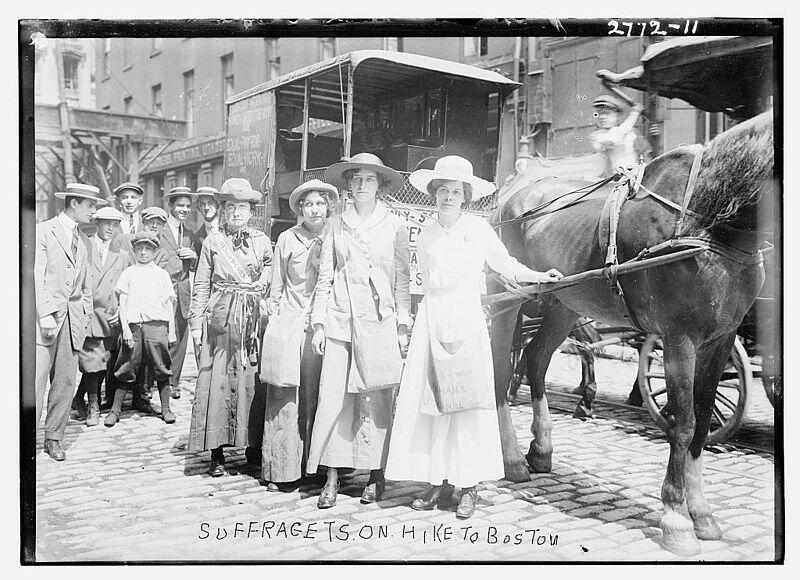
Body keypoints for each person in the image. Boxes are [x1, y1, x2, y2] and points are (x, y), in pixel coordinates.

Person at [384, 156, 564, 519]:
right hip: (433, 318)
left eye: (455, 192)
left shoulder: (479, 230)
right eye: (442, 191)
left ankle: (469, 486)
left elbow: (505, 264)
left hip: (465, 317)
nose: (448, 197)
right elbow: (423, 281)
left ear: (465, 197)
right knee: (431, 402)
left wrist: (541, 275)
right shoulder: (428, 233)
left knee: (465, 404)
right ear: (434, 195)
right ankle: (437, 481)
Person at [306, 152, 411, 508]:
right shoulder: (336, 223)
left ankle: (375, 476)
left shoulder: (395, 225)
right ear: (348, 184)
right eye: (356, 179)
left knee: (378, 398)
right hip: (340, 320)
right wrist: (319, 323)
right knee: (334, 397)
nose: (362, 185)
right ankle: (333, 475)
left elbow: (401, 281)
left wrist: (401, 324)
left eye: (369, 179)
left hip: (379, 322)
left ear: (380, 185)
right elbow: (324, 276)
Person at [188, 178, 272, 477]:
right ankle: (217, 451)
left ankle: (252, 448)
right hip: (221, 318)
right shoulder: (213, 242)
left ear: (251, 211)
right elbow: (201, 283)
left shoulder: (262, 240)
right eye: (231, 207)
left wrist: (264, 280)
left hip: (250, 320)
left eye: (243, 207)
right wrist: (196, 323)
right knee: (217, 383)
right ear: (223, 210)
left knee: (251, 380)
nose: (237, 213)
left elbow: (270, 269)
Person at [258, 179, 338, 491]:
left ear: (328, 207)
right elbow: (276, 287)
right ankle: (281, 469)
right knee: (284, 396)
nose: (315, 209)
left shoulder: (335, 236)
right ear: (300, 210)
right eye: (309, 204)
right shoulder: (287, 239)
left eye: (320, 203)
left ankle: (316, 466)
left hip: (323, 325)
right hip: (290, 323)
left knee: (317, 393)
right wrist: (274, 324)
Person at [35, 183, 106, 461]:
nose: (94, 212)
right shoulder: (44, 231)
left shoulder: (85, 240)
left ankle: (54, 438)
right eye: (90, 206)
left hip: (73, 322)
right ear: (74, 203)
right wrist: (44, 314)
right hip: (47, 321)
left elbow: (86, 286)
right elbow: (36, 277)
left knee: (65, 381)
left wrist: (85, 315)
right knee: (36, 381)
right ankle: (24, 439)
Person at [106, 231, 178, 427]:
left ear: (155, 251)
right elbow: (122, 303)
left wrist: (170, 331)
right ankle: (115, 410)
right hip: (134, 328)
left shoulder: (161, 275)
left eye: (148, 249)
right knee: (126, 366)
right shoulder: (128, 273)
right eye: (140, 248)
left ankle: (166, 409)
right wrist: (126, 330)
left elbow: (169, 304)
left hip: (157, 326)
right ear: (135, 250)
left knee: (161, 366)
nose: (144, 252)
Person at [71, 207, 131, 426]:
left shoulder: (121, 255)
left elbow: (125, 287)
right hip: (87, 314)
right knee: (92, 361)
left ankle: (79, 399)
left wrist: (121, 311)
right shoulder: (84, 246)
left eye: (115, 225)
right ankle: (93, 407)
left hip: (109, 317)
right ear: (97, 223)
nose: (111, 229)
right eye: (107, 224)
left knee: (100, 363)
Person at [160, 186, 200, 400]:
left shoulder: (190, 233)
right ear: (171, 206)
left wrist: (192, 256)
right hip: (163, 292)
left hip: (183, 291)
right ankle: (156, 382)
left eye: (187, 206)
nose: (184, 209)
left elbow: (194, 267)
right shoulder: (160, 229)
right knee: (161, 338)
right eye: (180, 205)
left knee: (180, 338)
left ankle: (173, 382)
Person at [588, 93, 646, 178]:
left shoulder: (632, 133)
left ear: (617, 116)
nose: (602, 117)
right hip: (613, 181)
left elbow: (645, 152)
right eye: (599, 114)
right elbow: (616, 137)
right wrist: (635, 112)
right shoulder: (596, 136)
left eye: (607, 113)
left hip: (635, 177)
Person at [109, 182, 145, 253]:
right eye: (124, 197)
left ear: (140, 201)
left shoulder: (146, 223)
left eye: (133, 197)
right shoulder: (111, 224)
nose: (129, 202)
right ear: (118, 201)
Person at [193, 186, 221, 250]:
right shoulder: (197, 236)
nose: (206, 208)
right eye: (202, 204)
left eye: (210, 203)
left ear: (217, 205)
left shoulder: (227, 228)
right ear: (198, 207)